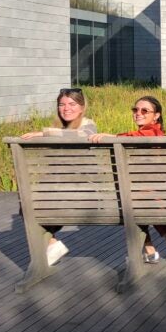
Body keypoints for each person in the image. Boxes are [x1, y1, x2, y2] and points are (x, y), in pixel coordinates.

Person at [89, 96, 166, 264]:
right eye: (135, 110)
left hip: (149, 196)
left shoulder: (152, 132)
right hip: (159, 197)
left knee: (134, 203)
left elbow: (134, 137)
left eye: (144, 110)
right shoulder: (157, 132)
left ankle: (150, 249)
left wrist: (110, 136)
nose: (138, 113)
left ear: (156, 116)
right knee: (142, 199)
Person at [21, 88, 99, 265]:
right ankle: (51, 243)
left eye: (72, 104)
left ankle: (50, 245)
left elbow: (83, 135)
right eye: (62, 104)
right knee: (29, 203)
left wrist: (44, 133)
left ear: (82, 107)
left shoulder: (87, 124)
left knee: (31, 204)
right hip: (61, 191)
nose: (66, 108)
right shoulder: (60, 128)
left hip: (82, 192)